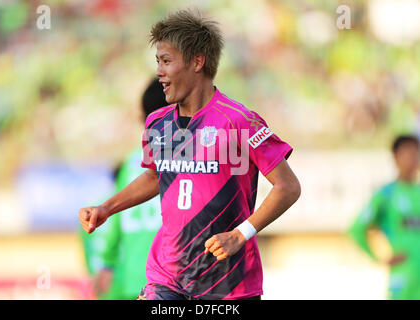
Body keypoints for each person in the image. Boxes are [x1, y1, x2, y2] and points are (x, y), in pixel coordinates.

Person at [79, 9, 301, 300]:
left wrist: (240, 234)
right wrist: (107, 208)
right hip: (167, 277)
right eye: (157, 62)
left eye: (166, 61)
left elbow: (288, 186)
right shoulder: (157, 123)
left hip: (227, 282)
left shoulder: (239, 121)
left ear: (197, 61)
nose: (159, 72)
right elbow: (155, 177)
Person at [80, 78, 168, 299]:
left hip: (134, 272)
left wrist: (107, 264)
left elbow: (115, 218)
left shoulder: (130, 163)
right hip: (169, 273)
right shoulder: (181, 157)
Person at [348, 134, 420, 300]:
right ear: (395, 157)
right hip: (404, 279)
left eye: (416, 152)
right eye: (407, 152)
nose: (413, 157)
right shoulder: (387, 194)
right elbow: (356, 229)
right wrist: (379, 257)